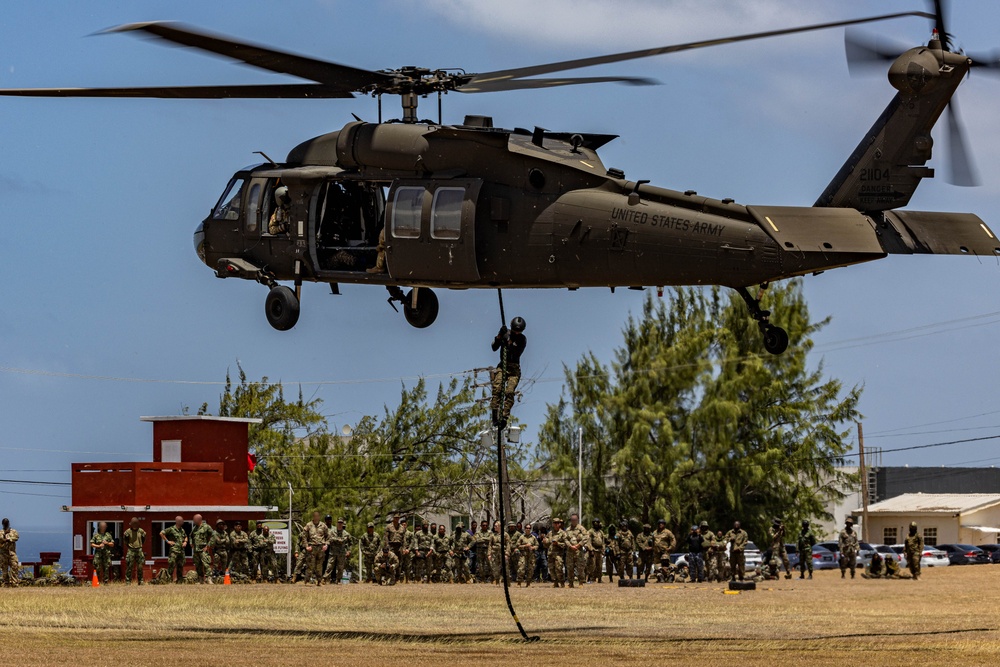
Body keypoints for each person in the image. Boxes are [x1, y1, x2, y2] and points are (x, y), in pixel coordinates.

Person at [490, 317, 527, 427]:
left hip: (514, 369)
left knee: (509, 392)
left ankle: (504, 416)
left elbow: (516, 352)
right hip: (502, 366)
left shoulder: (522, 339)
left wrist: (509, 342)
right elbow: (494, 347)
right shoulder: (506, 334)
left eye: (519, 331)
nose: (516, 333)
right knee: (497, 388)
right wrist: (499, 336)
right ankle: (495, 415)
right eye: (515, 330)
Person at [324, 518, 353, 585]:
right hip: (333, 552)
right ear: (337, 523)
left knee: (340, 567)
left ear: (342, 524)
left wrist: (349, 551)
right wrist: (327, 544)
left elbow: (351, 543)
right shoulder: (332, 532)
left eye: (341, 523)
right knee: (329, 566)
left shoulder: (346, 534)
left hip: (342, 553)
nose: (340, 524)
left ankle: (338, 580)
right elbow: (329, 539)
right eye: (339, 523)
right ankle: (325, 579)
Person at [304, 511, 329, 586]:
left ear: (319, 517)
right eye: (315, 516)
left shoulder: (323, 525)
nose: (316, 517)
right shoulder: (309, 525)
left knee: (319, 566)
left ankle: (319, 581)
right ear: (313, 516)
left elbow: (328, 536)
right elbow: (304, 536)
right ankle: (307, 580)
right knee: (310, 565)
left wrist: (326, 544)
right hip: (312, 547)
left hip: (321, 548)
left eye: (317, 516)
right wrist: (306, 546)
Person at [160, 516, 188, 584]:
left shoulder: (182, 530)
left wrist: (185, 542)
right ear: (177, 521)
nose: (182, 522)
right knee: (171, 565)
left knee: (180, 566)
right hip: (174, 551)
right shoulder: (171, 529)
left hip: (181, 551)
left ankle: (179, 581)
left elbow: (186, 536)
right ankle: (169, 580)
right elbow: (161, 533)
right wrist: (167, 541)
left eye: (182, 521)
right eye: (180, 521)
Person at [565, 514, 589, 587]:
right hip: (570, 551)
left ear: (577, 520)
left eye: (575, 519)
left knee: (580, 568)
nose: (573, 521)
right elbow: (565, 539)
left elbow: (586, 537)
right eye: (572, 520)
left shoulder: (581, 529)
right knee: (570, 568)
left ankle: (581, 582)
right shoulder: (568, 529)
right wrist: (570, 545)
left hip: (579, 551)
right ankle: (570, 583)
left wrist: (579, 545)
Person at [189, 514, 214, 584]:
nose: (193, 521)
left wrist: (208, 546)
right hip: (196, 550)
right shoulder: (194, 528)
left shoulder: (206, 527)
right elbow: (190, 536)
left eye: (195, 519)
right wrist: (191, 543)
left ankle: (209, 579)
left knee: (206, 564)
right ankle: (201, 580)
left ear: (199, 520)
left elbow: (213, 535)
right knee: (198, 565)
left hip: (203, 549)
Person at [122, 518, 146, 585]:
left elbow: (143, 540)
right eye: (133, 524)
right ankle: (128, 581)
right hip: (131, 550)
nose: (134, 525)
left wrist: (140, 545)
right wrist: (130, 546)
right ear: (131, 524)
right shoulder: (127, 532)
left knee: (140, 567)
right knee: (129, 566)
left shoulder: (141, 531)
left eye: (136, 524)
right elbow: (125, 541)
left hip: (139, 550)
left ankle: (140, 581)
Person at [547, 518, 568, 588]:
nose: (556, 524)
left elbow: (565, 544)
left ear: (559, 524)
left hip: (558, 554)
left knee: (559, 568)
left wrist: (558, 543)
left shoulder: (563, 533)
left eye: (557, 523)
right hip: (550, 553)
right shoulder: (550, 533)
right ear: (553, 524)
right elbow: (547, 543)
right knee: (551, 569)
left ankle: (562, 582)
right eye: (554, 523)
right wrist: (544, 541)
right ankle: (555, 582)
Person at [0, 519, 19, 586]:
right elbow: (1, 539)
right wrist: (5, 535)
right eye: (5, 523)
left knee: (15, 567)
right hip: (3, 553)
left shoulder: (13, 531)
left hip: (12, 553)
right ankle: (6, 583)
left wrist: (9, 539)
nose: (6, 524)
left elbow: (16, 537)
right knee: (4, 569)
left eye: (7, 523)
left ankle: (14, 583)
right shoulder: (1, 532)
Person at [587, 519, 606, 583]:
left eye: (597, 522)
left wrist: (603, 549)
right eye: (595, 523)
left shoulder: (601, 532)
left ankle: (600, 579)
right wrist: (591, 549)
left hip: (599, 550)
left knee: (599, 565)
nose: (596, 524)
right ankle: (591, 578)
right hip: (593, 550)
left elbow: (603, 542)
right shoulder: (590, 531)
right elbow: (588, 541)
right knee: (592, 565)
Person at [488, 520, 504, 585]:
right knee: (495, 567)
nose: (494, 527)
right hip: (494, 552)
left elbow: (508, 544)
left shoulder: (505, 534)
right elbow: (490, 545)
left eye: (496, 526)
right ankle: (496, 580)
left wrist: (507, 553)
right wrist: (489, 554)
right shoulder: (492, 535)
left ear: (500, 527)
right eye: (494, 526)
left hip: (502, 552)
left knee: (503, 567)